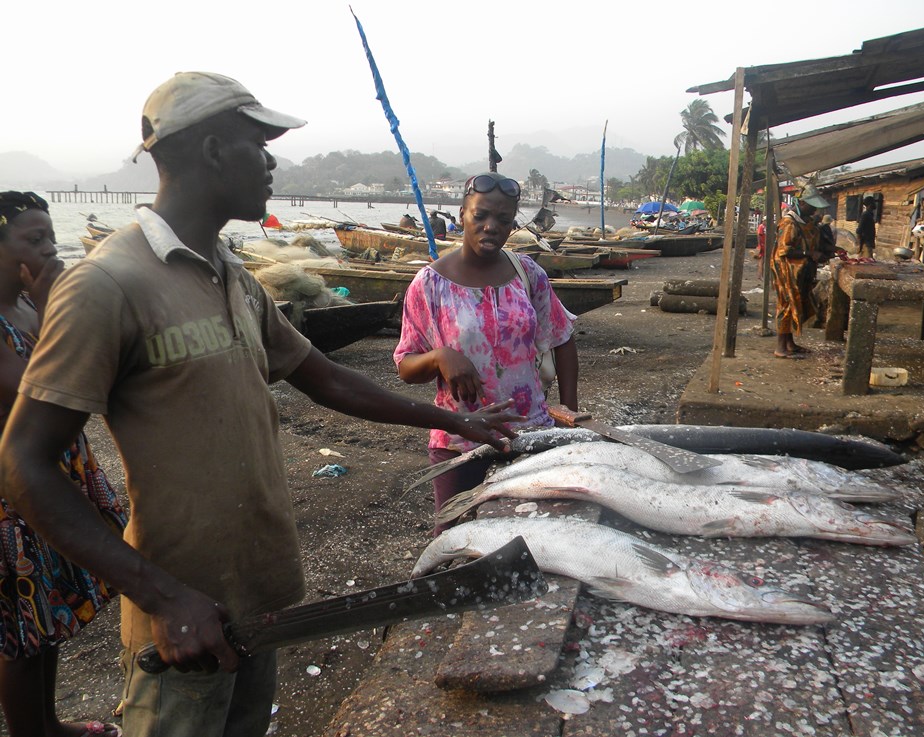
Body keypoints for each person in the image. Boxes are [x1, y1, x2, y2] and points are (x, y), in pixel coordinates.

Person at [0, 72, 521, 737]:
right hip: (183, 616)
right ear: (213, 149)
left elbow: (325, 377)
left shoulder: (234, 276)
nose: (274, 161)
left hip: (258, 603)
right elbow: (23, 462)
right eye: (260, 143)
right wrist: (162, 595)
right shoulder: (107, 284)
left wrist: (454, 419)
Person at [0, 192, 127, 737]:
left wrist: (52, 306)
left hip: (55, 477)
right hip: (11, 495)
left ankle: (47, 723)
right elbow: (35, 391)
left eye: (52, 236)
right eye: (34, 239)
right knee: (20, 634)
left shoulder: (28, 306)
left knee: (47, 616)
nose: (51, 249)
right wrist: (58, 307)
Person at [394, 172, 578, 533]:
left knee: (530, 537)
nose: (491, 227)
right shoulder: (429, 284)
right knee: (454, 539)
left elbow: (562, 336)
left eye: (504, 220)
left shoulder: (528, 273)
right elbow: (406, 365)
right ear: (462, 214)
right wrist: (440, 357)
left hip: (531, 435)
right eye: (480, 217)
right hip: (459, 440)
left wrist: (570, 411)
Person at [771, 184, 830, 359]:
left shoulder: (806, 222)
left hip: (800, 271)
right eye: (812, 206)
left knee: (798, 304)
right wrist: (809, 254)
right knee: (787, 305)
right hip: (786, 270)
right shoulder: (789, 223)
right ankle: (780, 347)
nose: (814, 211)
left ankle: (790, 343)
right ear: (802, 203)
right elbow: (784, 250)